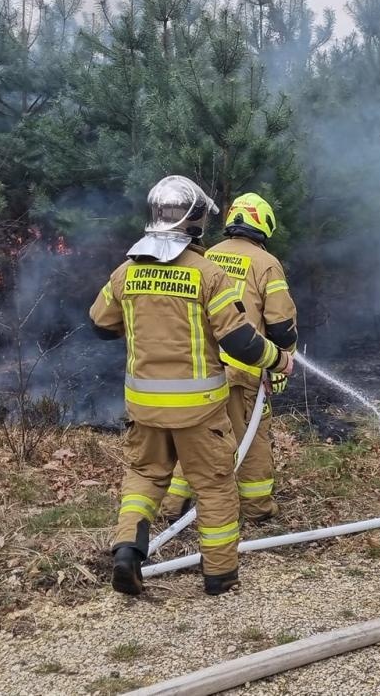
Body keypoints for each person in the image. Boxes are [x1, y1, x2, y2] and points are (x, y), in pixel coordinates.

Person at [89, 175, 293, 597]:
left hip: (144, 407)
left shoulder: (127, 272)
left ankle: (128, 550)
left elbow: (100, 324)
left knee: (144, 477)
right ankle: (219, 576)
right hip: (198, 409)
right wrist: (278, 359)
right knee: (215, 485)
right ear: (196, 221)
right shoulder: (205, 274)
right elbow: (240, 340)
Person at [163, 193, 298, 523]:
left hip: (203, 367)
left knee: (198, 437)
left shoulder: (208, 256)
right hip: (244, 369)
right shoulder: (266, 263)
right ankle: (256, 508)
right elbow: (281, 323)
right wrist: (282, 357)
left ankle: (172, 502)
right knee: (251, 438)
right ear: (264, 223)